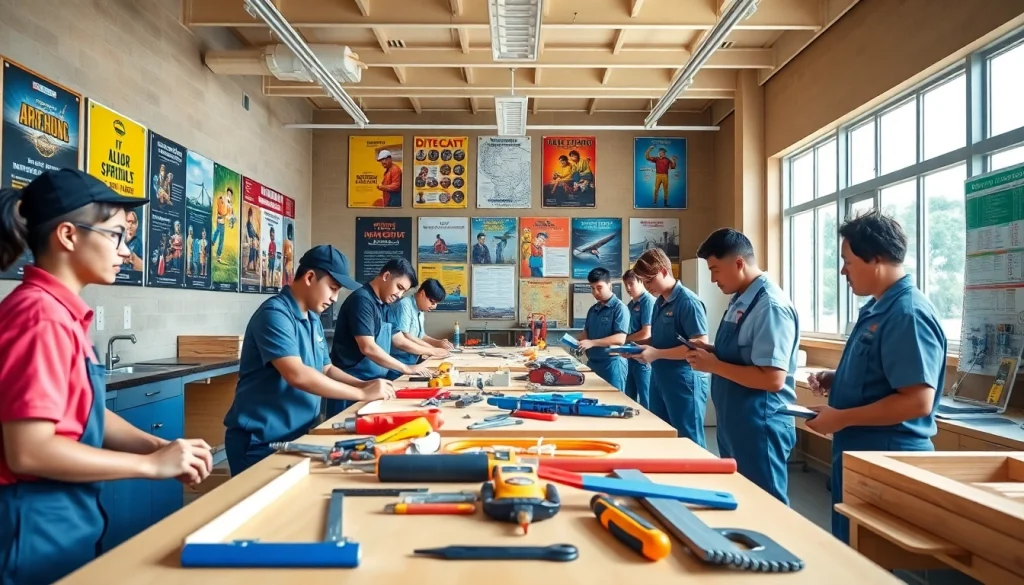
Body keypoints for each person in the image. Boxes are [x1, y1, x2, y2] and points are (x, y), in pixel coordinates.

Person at [0, 169, 214, 585]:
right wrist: (150, 466)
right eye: (116, 235)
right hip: (33, 525)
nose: (124, 249)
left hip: (66, 518)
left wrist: (160, 446)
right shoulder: (39, 317)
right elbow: (29, 451)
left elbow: (86, 413)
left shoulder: (62, 314)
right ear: (68, 235)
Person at [805, 210, 946, 544]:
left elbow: (918, 400)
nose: (843, 271)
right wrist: (836, 378)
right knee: (850, 549)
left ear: (877, 258)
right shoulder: (877, 308)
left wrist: (841, 418)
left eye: (848, 261)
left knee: (867, 561)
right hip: (860, 450)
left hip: (886, 453)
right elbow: (883, 374)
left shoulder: (906, 313)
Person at [223, 245, 396, 476]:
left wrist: (363, 384)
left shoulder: (313, 318)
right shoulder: (275, 314)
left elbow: (326, 368)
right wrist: (362, 394)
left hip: (298, 434)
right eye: (332, 288)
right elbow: (297, 374)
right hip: (261, 441)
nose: (335, 298)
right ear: (310, 277)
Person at [681, 229, 799, 504]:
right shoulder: (741, 299)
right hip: (735, 420)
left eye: (715, 270)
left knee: (767, 506)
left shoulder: (769, 306)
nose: (712, 279)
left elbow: (772, 379)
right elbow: (741, 355)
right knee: (743, 500)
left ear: (738, 263)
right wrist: (711, 352)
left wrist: (714, 366)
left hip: (761, 423)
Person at [629, 248, 711, 446]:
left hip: (684, 379)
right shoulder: (660, 302)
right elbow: (659, 340)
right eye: (643, 282)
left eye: (649, 281)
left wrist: (656, 353)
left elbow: (700, 347)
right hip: (660, 377)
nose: (647, 287)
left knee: (688, 439)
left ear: (664, 272)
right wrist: (636, 348)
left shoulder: (688, 302)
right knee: (662, 434)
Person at [328, 258, 430, 417]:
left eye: (404, 291)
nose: (399, 295)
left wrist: (433, 351)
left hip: (374, 384)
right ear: (386, 276)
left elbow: (399, 339)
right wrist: (405, 368)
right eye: (399, 287)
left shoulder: (385, 305)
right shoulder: (362, 300)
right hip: (351, 385)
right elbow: (367, 347)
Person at [385, 278, 454, 380]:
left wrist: (438, 343)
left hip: (413, 363)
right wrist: (433, 350)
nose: (434, 306)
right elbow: (406, 336)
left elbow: (421, 336)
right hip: (398, 365)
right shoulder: (405, 305)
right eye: (432, 301)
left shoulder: (420, 310)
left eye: (436, 303)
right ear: (422, 293)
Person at [577, 268, 630, 392]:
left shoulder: (619, 308)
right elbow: (586, 332)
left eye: (599, 287)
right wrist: (579, 340)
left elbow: (620, 339)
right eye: (592, 288)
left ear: (609, 285)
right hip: (593, 363)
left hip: (612, 365)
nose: (595, 292)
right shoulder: (593, 309)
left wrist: (592, 342)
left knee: (615, 403)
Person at [622, 269, 654, 409]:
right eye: (626, 285)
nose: (628, 288)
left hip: (643, 357)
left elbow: (646, 333)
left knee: (646, 399)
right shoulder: (630, 305)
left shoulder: (648, 302)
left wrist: (624, 339)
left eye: (631, 284)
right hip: (630, 356)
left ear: (641, 282)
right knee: (629, 398)